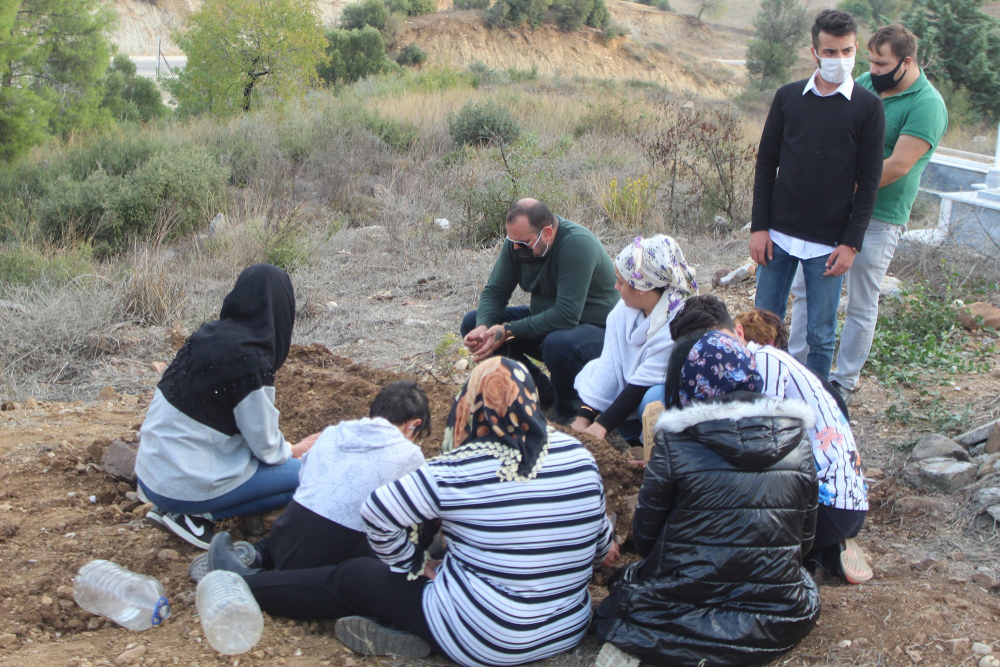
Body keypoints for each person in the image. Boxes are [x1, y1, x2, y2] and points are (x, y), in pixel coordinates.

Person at [207, 357, 618, 666]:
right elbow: (599, 538)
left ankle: (247, 584)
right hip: (567, 627)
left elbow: (377, 513)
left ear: (470, 405)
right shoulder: (577, 455)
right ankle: (401, 627)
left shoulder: (458, 467)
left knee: (354, 578)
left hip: (488, 638)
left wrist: (413, 563)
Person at [593, 329, 820, 667]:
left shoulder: (675, 442)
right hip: (778, 614)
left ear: (694, 379)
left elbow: (645, 537)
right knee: (802, 582)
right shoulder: (798, 438)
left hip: (682, 601)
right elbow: (804, 540)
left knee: (625, 590)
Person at [787, 24, 948, 403]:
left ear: (906, 62)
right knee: (807, 289)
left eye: (881, 63)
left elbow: (897, 166)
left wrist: (838, 183)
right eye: (871, 60)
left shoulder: (927, 104)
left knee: (861, 300)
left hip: (880, 215)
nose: (871, 69)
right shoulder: (866, 82)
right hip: (833, 210)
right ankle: (798, 369)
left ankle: (843, 382)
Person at [671, 296, 871, 584]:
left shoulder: (762, 360)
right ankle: (823, 551)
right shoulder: (753, 365)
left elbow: (764, 449)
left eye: (718, 342)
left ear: (738, 333)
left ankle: (819, 549)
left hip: (829, 507)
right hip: (833, 504)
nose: (713, 354)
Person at [750, 9, 885, 380]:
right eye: (830, 52)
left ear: (856, 49)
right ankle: (762, 396)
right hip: (777, 234)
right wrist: (759, 227)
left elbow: (869, 181)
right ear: (814, 52)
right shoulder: (788, 97)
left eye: (846, 51)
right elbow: (766, 165)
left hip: (828, 244)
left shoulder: (869, 108)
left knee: (821, 335)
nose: (838, 60)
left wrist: (851, 243)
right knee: (763, 326)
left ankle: (817, 413)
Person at [136, 264, 311, 550]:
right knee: (308, 475)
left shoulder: (206, 335)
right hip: (179, 482)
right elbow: (267, 448)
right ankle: (196, 514)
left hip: (150, 475)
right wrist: (294, 450)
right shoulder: (251, 361)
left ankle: (178, 508)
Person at [188, 381, 430, 581]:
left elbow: (304, 481)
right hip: (332, 557)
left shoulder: (335, 432)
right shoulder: (409, 455)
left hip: (286, 533)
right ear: (413, 425)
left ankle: (258, 555)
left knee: (305, 523)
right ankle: (244, 578)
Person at [461, 198, 619, 422]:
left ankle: (570, 412)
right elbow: (495, 292)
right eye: (512, 241)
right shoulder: (518, 243)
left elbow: (566, 315)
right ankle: (541, 390)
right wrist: (483, 327)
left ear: (546, 233)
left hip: (598, 331)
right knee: (472, 321)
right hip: (552, 324)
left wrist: (507, 330)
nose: (516, 248)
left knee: (560, 344)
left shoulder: (576, 244)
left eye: (523, 243)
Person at [572, 235, 696, 443]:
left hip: (681, 401)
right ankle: (632, 437)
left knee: (653, 397)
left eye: (621, 282)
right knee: (594, 370)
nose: (615, 287)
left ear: (641, 289)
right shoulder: (623, 312)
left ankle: (661, 444)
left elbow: (642, 382)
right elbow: (609, 365)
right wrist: (584, 418)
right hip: (634, 392)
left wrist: (602, 426)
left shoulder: (680, 322)